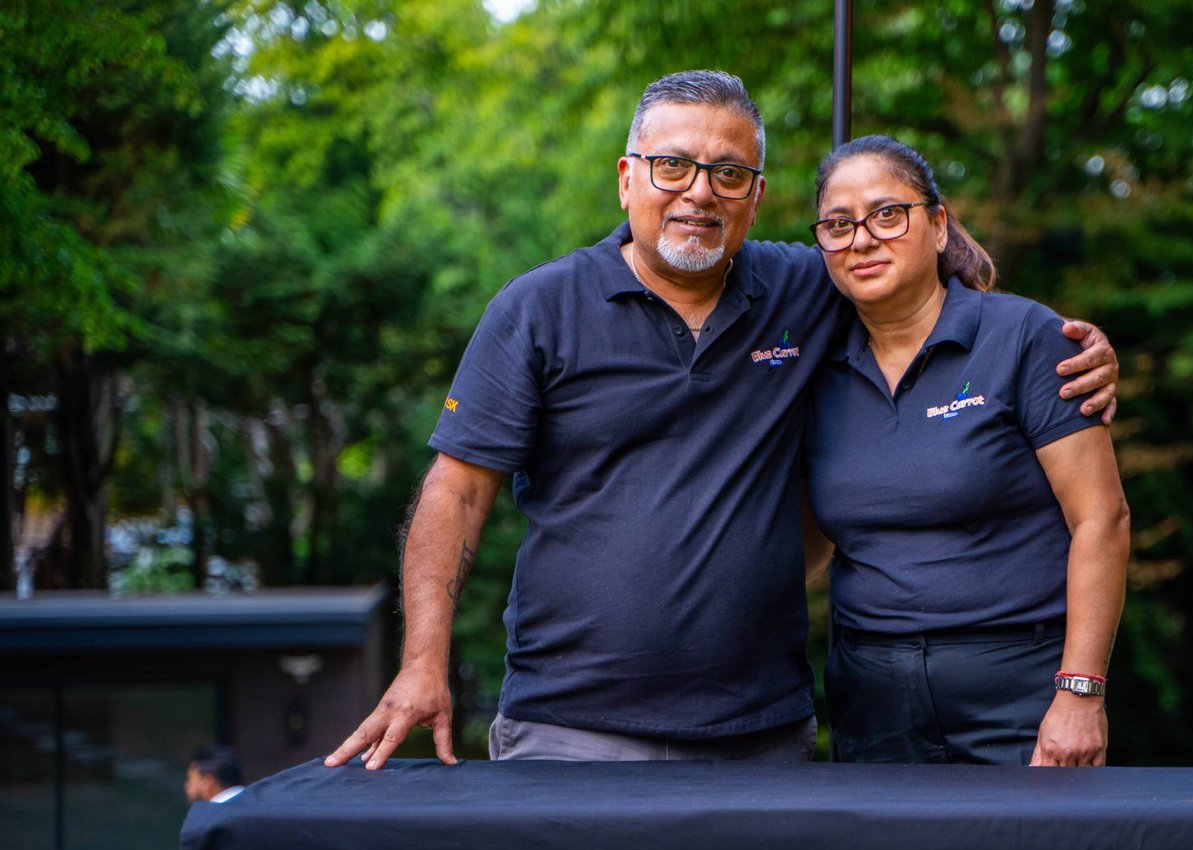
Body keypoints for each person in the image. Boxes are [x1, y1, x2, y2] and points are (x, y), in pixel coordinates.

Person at [324, 70, 1121, 770]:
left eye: (729, 173)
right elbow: (457, 491)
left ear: (756, 196)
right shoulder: (538, 309)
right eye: (672, 165)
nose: (700, 192)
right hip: (571, 727)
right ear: (627, 178)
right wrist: (422, 661)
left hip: (761, 731)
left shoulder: (802, 289)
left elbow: (900, 264)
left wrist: (1058, 338)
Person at [803, 136, 1130, 767]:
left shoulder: (1026, 338)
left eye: (887, 214)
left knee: (1031, 838)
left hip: (1018, 690)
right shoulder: (816, 365)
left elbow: (1102, 520)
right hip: (871, 696)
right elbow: (812, 537)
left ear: (938, 224)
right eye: (839, 225)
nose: (862, 240)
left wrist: (1081, 692)